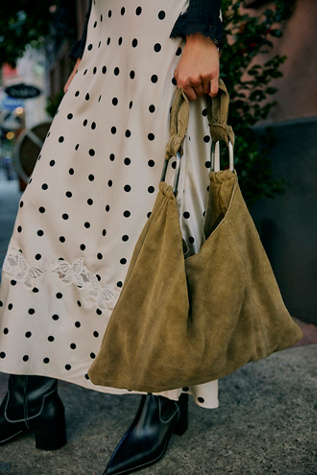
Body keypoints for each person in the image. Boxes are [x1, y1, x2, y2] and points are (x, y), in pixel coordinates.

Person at [0, 0, 223, 473]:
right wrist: (85, 43)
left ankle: (164, 397)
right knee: (47, 205)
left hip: (167, 31)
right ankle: (30, 397)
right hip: (104, 37)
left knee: (155, 214)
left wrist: (203, 28)